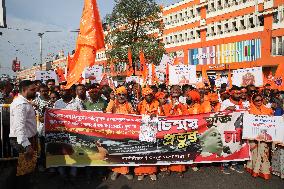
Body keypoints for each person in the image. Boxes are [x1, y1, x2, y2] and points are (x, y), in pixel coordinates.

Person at [9, 80, 38, 189]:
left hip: (25, 139)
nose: (35, 91)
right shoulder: (20, 105)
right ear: (24, 90)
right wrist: (27, 145)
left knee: (22, 169)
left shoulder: (24, 102)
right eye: (33, 89)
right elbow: (19, 127)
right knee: (22, 171)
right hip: (22, 141)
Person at [106, 86, 134, 181]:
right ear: (116, 95)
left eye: (123, 95)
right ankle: (116, 171)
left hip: (127, 133)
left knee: (125, 152)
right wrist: (111, 100)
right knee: (116, 152)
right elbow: (108, 112)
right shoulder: (113, 103)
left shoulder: (129, 105)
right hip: (115, 133)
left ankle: (126, 171)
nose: (121, 97)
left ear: (126, 96)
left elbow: (134, 117)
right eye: (119, 94)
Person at [246, 93, 273, 180]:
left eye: (260, 100)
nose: (259, 102)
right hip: (253, 135)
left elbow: (272, 121)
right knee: (255, 152)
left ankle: (264, 171)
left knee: (263, 152)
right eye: (256, 100)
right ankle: (254, 169)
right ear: (253, 101)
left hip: (265, 135)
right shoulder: (248, 110)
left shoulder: (268, 109)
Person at [135, 87, 158, 181]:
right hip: (142, 131)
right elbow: (135, 115)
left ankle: (151, 172)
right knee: (142, 151)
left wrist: (156, 115)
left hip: (153, 131)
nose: (149, 97)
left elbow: (161, 114)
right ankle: (140, 172)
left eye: (150, 95)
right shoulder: (140, 104)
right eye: (147, 95)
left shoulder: (157, 103)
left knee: (152, 152)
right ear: (144, 96)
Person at [220, 85, 244, 174]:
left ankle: (234, 163)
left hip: (239, 129)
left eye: (239, 93)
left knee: (237, 146)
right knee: (227, 146)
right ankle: (225, 164)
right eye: (236, 93)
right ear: (231, 93)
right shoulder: (226, 102)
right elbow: (219, 115)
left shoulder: (243, 103)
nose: (238, 95)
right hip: (227, 129)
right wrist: (227, 109)